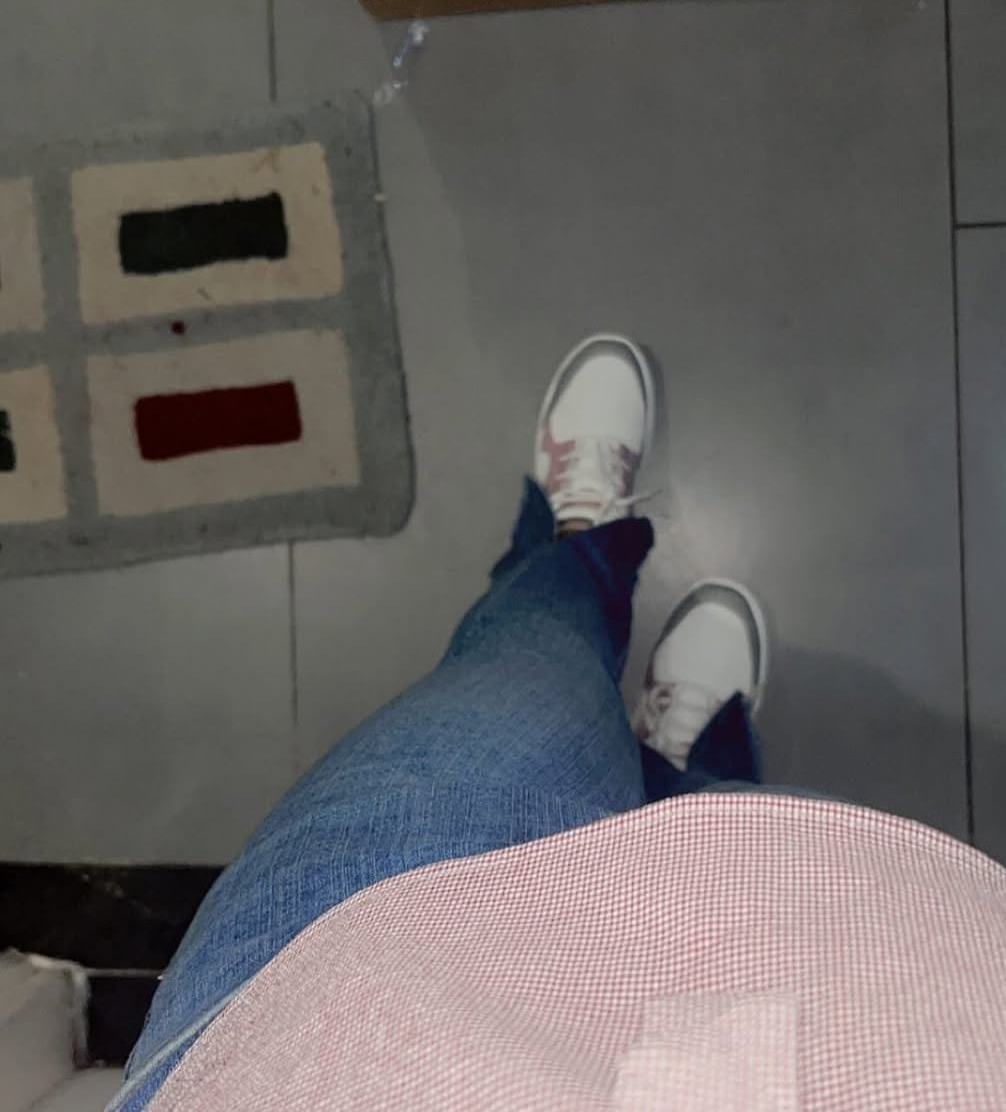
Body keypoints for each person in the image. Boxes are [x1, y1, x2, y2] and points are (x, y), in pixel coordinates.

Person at [109, 337, 1006, 1112]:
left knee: (528, 665)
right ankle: (673, 771)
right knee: (735, 845)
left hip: (323, 1040)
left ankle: (573, 550)